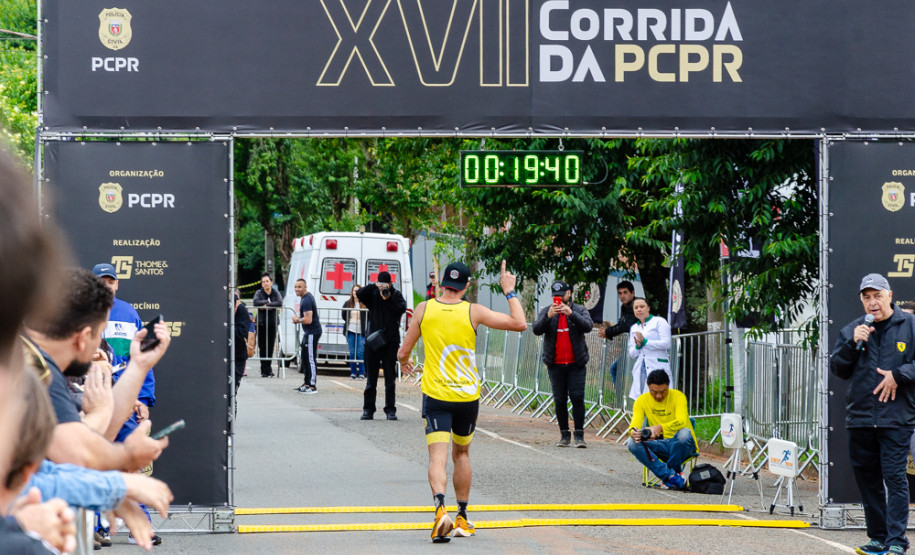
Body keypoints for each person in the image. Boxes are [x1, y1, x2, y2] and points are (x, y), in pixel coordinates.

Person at [398, 261, 527, 543]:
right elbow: (520, 323)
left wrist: (404, 360)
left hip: (437, 395)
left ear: (443, 282)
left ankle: (440, 510)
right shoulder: (473, 311)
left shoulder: (424, 309)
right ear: (466, 286)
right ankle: (462, 517)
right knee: (462, 454)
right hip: (467, 397)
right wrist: (509, 291)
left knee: (438, 457)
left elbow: (404, 350)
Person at [23, 268, 171, 473]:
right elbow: (75, 455)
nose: (102, 348)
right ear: (84, 337)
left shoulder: (44, 364)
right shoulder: (35, 370)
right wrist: (126, 457)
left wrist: (139, 365)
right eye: (100, 334)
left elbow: (97, 436)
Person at [830, 273, 915, 555]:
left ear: (890, 295)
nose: (872, 302)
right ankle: (878, 538)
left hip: (896, 418)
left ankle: (897, 541)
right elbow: (838, 369)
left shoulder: (910, 326)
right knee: (869, 483)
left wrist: (898, 375)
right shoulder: (854, 330)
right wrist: (851, 344)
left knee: (895, 479)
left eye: (877, 296)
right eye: (866, 297)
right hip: (861, 419)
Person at [91, 263, 157, 443]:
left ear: (117, 285)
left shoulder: (129, 314)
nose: (106, 286)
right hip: (88, 400)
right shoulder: (78, 313)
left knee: (128, 450)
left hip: (124, 400)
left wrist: (143, 399)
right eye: (101, 282)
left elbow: (142, 359)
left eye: (110, 282)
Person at [532, 280, 593, 448]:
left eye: (561, 296)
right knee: (559, 400)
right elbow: (536, 329)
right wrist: (548, 316)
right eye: (555, 297)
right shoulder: (547, 311)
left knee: (577, 397)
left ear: (569, 294)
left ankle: (579, 435)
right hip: (555, 364)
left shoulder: (579, 310)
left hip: (576, 363)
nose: (558, 300)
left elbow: (588, 326)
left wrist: (571, 314)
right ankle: (564, 435)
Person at [626, 369, 697, 490]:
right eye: (654, 392)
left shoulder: (678, 396)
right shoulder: (641, 400)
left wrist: (660, 427)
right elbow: (634, 425)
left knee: (684, 434)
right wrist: (634, 432)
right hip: (661, 444)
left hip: (683, 444)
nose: (658, 396)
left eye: (663, 392)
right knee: (632, 442)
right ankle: (670, 476)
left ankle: (671, 476)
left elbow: (682, 421)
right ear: (648, 388)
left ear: (668, 387)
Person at [357, 271, 407, 420]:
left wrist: (388, 297)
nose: (384, 288)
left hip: (390, 341)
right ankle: (368, 409)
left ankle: (390, 410)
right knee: (371, 379)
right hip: (373, 341)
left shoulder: (396, 294)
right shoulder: (373, 294)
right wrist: (375, 285)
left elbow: (401, 309)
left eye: (386, 285)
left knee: (390, 379)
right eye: (381, 284)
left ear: (391, 284)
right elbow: (359, 293)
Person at [627, 297, 672, 400]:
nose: (639, 309)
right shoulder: (634, 328)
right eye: (636, 308)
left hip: (657, 365)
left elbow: (666, 343)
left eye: (642, 307)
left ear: (648, 308)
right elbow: (632, 353)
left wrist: (646, 342)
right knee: (642, 399)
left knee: (658, 397)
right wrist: (638, 346)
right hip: (641, 367)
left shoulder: (659, 322)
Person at [597, 281, 637, 384]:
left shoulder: (636, 305)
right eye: (620, 293)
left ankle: (626, 394)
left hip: (641, 348)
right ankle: (620, 394)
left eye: (625, 292)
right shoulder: (624, 307)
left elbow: (627, 326)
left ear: (632, 293)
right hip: (632, 347)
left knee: (620, 371)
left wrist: (608, 332)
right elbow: (621, 324)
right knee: (615, 369)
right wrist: (608, 332)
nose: (622, 296)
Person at [292, 279, 321, 394]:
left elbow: (308, 320)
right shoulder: (304, 298)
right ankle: (306, 383)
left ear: (305, 287)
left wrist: (297, 320)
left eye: (299, 287)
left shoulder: (307, 299)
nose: (297, 289)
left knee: (310, 358)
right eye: (295, 287)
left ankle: (312, 385)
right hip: (308, 332)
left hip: (312, 332)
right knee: (304, 357)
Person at [253, 273, 283, 377]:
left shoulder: (275, 292)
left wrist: (267, 305)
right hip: (261, 323)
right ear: (262, 284)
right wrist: (267, 301)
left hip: (272, 323)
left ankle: (268, 369)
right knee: (262, 346)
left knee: (270, 347)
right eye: (263, 282)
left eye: (267, 281)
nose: (265, 283)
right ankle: (264, 370)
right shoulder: (259, 292)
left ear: (271, 282)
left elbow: (279, 302)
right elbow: (255, 302)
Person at [342, 284, 367, 380]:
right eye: (354, 290)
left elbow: (368, 317)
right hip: (350, 331)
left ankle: (361, 373)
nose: (356, 292)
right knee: (352, 353)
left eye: (358, 291)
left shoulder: (365, 303)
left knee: (360, 352)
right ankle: (353, 373)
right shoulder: (347, 303)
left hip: (361, 332)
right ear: (352, 292)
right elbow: (344, 315)